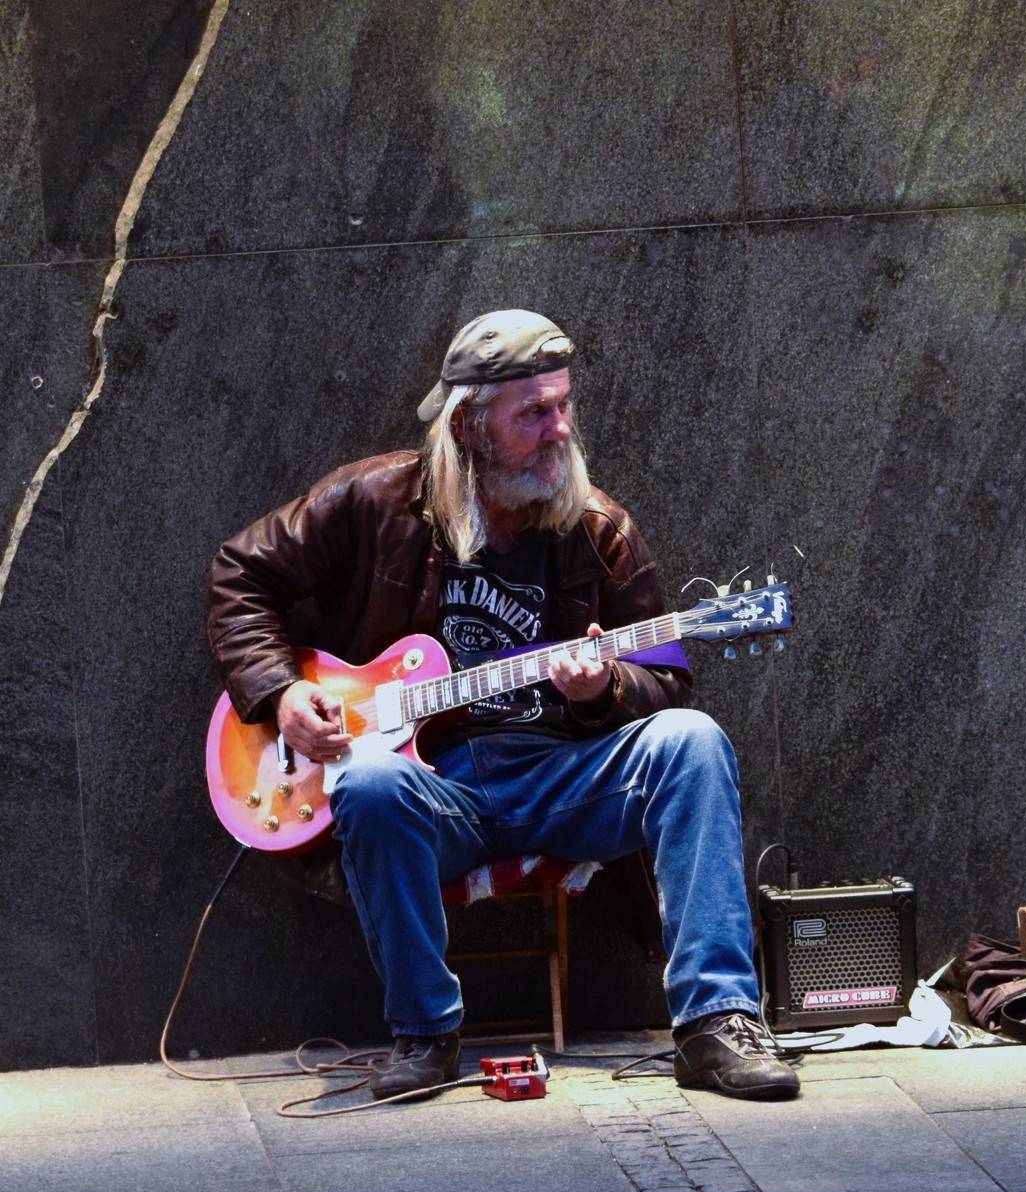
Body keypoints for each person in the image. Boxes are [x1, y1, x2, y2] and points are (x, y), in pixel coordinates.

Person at [208, 309, 799, 1103]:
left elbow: (665, 674)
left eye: (563, 405)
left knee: (690, 742)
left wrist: (603, 690)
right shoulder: (374, 500)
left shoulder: (599, 527)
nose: (560, 429)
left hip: (564, 776)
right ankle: (424, 1034)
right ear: (469, 424)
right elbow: (240, 575)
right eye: (533, 413)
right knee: (370, 784)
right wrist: (281, 691)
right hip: (436, 792)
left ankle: (715, 1023)